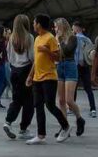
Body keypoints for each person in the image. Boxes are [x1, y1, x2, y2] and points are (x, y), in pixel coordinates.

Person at [26, 14, 69, 145]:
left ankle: (66, 126)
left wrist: (46, 51)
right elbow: (36, 60)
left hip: (49, 77)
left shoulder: (50, 38)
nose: (33, 25)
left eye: (34, 22)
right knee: (38, 105)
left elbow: (58, 58)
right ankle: (41, 135)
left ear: (39, 24)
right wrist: (30, 75)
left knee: (50, 105)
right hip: (37, 78)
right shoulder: (37, 38)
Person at [3, 14, 35, 141]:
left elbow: (9, 56)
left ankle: (8, 122)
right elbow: (32, 57)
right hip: (26, 70)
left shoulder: (12, 37)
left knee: (16, 99)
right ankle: (23, 129)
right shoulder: (29, 37)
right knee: (29, 101)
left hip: (14, 71)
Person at [54, 18, 85, 137]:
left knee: (69, 100)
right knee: (61, 100)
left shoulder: (72, 37)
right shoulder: (56, 38)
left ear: (62, 26)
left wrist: (59, 39)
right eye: (55, 27)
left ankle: (79, 119)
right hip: (60, 66)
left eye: (57, 27)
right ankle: (64, 126)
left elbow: (67, 51)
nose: (56, 29)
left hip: (70, 66)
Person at [72, 21, 97, 117]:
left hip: (75, 65)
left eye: (73, 28)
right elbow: (92, 52)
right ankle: (93, 109)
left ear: (77, 28)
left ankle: (71, 108)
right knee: (88, 88)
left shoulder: (73, 38)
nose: (72, 29)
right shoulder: (88, 40)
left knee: (73, 88)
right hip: (85, 65)